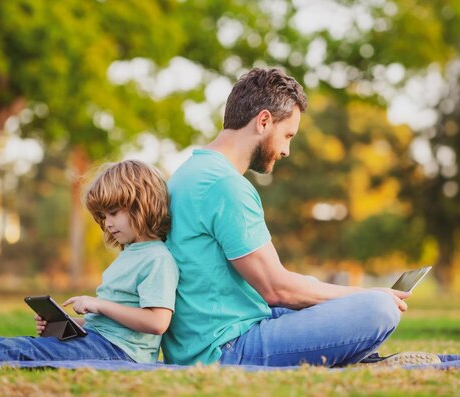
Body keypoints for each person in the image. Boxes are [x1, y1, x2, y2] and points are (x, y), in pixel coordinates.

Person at [162, 68, 438, 367]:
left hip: (207, 335)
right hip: (224, 347)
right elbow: (277, 289)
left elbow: (269, 287)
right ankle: (358, 360)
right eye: (287, 135)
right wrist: (367, 294)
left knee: (326, 303)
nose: (286, 150)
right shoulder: (225, 186)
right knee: (379, 308)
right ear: (264, 121)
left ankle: (357, 359)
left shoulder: (189, 173)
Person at [0, 160, 178, 365]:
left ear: (142, 205)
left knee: (21, 351)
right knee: (17, 345)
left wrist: (98, 303)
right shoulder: (129, 255)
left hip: (118, 353)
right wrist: (69, 324)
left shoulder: (157, 259)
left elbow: (157, 322)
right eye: (104, 216)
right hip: (101, 341)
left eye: (114, 212)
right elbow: (112, 322)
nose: (108, 223)